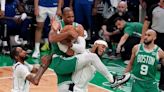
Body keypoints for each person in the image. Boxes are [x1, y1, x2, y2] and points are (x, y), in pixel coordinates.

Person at [49, 7, 130, 92]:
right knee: (92, 57)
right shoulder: (57, 25)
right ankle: (113, 80)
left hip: (70, 60)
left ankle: (79, 88)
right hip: (60, 61)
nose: (71, 19)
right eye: (68, 17)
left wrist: (70, 44)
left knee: (91, 64)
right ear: (62, 16)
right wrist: (65, 33)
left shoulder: (78, 27)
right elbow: (53, 39)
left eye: (72, 16)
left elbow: (81, 48)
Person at [141, 0, 164, 90]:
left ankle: (162, 84)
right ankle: (143, 82)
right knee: (147, 58)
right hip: (154, 35)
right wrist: (143, 38)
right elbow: (146, 23)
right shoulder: (154, 7)